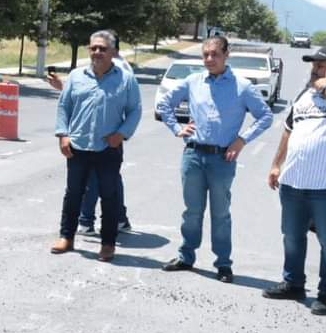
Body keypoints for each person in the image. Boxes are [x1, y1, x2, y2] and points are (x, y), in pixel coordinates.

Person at [156, 36, 273, 282]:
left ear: (226, 55)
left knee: (221, 214)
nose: (209, 59)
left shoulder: (242, 87)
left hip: (222, 160)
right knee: (192, 211)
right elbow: (165, 103)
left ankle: (223, 264)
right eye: (206, 54)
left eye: (215, 54)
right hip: (193, 155)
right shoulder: (192, 81)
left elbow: (265, 116)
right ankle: (186, 256)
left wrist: (242, 140)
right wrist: (177, 128)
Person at [262, 45, 326, 315]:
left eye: (321, 66)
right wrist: (276, 164)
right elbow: (288, 129)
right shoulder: (304, 94)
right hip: (293, 181)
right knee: (292, 236)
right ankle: (293, 283)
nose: (315, 70)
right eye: (314, 65)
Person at [51, 30, 142, 262]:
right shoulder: (76, 76)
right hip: (78, 146)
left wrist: (121, 134)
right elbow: (64, 107)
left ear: (114, 52)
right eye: (93, 48)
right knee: (73, 194)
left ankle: (108, 243)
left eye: (102, 48)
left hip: (108, 148)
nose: (97, 52)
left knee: (109, 196)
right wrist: (63, 135)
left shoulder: (126, 79)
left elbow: (135, 110)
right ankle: (66, 237)